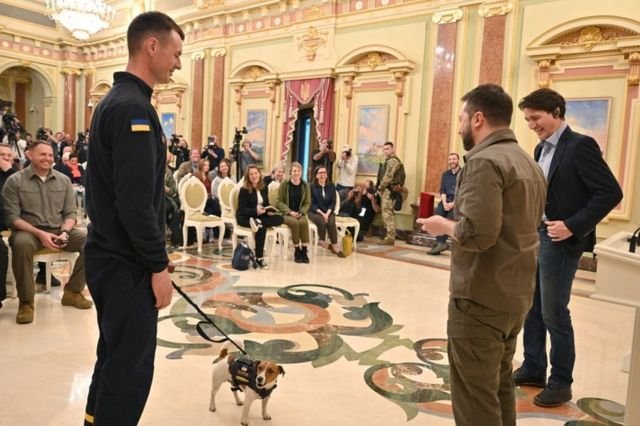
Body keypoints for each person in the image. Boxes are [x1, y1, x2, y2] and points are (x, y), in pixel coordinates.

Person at [417, 84, 546, 426]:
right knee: (499, 385)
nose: (459, 125)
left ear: (477, 118)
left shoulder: (484, 162)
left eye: (461, 118)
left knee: (475, 398)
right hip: (514, 295)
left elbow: (477, 235)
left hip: (480, 299)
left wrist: (443, 225)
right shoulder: (527, 162)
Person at [83, 11, 183, 425]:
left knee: (112, 358)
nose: (179, 62)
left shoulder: (119, 101)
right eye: (176, 53)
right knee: (129, 370)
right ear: (152, 46)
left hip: (109, 257)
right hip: (125, 265)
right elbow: (136, 203)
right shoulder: (133, 110)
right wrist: (157, 265)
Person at [513, 88, 623, 407]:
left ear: (557, 113)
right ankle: (533, 367)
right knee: (531, 307)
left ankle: (560, 382)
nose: (532, 124)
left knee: (554, 312)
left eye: (536, 118)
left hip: (561, 241)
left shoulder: (580, 146)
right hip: (538, 235)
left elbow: (610, 193)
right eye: (528, 119)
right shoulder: (539, 149)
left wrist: (572, 224)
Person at [3, 141, 93, 324]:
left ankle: (73, 292)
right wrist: (40, 234)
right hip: (28, 232)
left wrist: (66, 232)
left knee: (91, 241)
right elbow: (12, 218)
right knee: (21, 244)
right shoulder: (15, 181)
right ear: (30, 155)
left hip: (59, 230)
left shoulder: (63, 180)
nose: (48, 158)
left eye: (50, 155)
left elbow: (70, 213)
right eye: (42, 154)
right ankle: (26, 302)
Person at [236, 165, 283, 269]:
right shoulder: (244, 189)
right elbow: (242, 209)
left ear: (259, 174)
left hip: (259, 216)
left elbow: (266, 203)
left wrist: (268, 211)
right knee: (261, 228)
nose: (254, 176)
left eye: (256, 173)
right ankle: (259, 258)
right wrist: (255, 211)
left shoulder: (264, 187)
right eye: (251, 174)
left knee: (280, 218)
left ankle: (258, 222)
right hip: (246, 217)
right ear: (248, 176)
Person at [427, 152, 461, 255]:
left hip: (457, 201)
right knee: (437, 217)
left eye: (454, 159)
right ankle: (440, 243)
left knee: (448, 220)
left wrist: (453, 204)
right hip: (445, 200)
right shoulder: (445, 174)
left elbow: (463, 192)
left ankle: (441, 243)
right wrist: (445, 202)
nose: (452, 161)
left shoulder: (463, 173)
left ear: (458, 160)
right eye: (450, 159)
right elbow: (442, 190)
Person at [277, 162, 311, 263]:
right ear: (290, 172)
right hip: (287, 213)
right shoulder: (284, 184)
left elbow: (307, 202)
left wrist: (302, 212)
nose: (296, 173)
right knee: (295, 223)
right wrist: (290, 212)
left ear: (301, 172)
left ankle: (304, 250)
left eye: (298, 171)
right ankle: (296, 249)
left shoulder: (305, 185)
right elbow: (279, 201)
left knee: (304, 222)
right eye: (294, 171)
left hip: (300, 212)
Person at [308, 165, 345, 258]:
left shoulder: (331, 186)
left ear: (327, 175)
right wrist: (322, 213)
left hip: (328, 211)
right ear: (316, 175)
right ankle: (322, 241)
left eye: (324, 173)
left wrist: (327, 213)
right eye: (320, 173)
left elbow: (333, 202)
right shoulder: (311, 186)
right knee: (321, 221)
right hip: (315, 211)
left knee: (331, 222)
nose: (322, 175)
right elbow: (311, 203)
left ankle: (334, 245)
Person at [376, 141, 403, 245]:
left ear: (392, 149)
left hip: (388, 190)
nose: (385, 151)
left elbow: (388, 176)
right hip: (387, 189)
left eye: (388, 149)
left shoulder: (393, 161)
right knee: (386, 213)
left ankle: (390, 237)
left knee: (387, 214)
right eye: (384, 149)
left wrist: (380, 187)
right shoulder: (388, 161)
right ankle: (388, 236)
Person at [0, 143, 17, 309]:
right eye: (2, 155)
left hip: (14, 220)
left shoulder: (15, 174)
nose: (6, 158)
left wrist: (9, 171)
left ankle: (43, 274)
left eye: (9, 156)